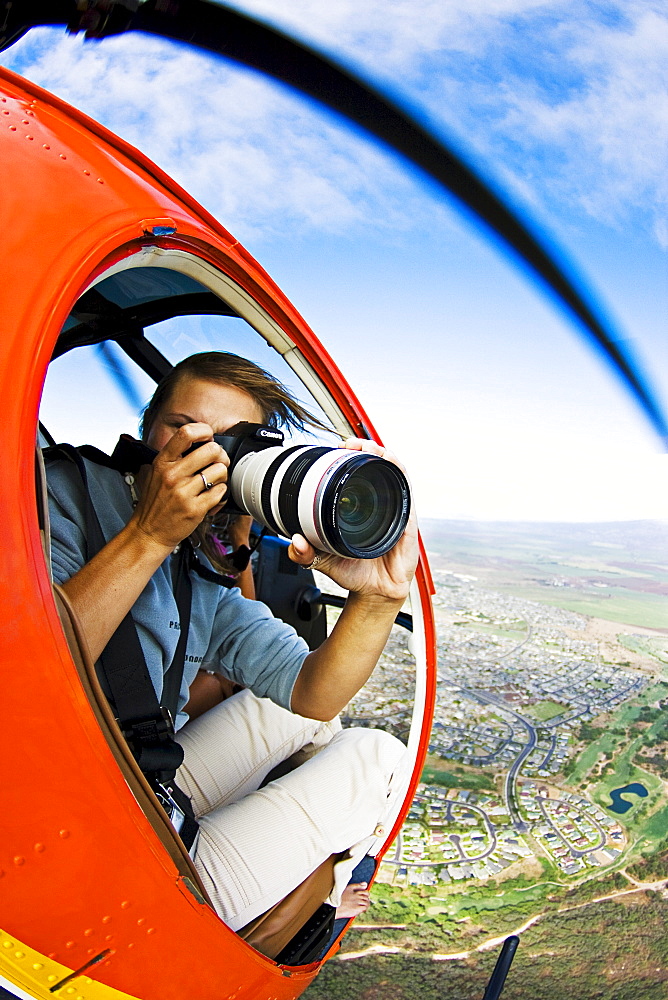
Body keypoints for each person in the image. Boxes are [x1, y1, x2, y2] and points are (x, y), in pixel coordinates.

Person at [46, 351, 418, 934]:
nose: (206, 456)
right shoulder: (59, 493)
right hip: (79, 834)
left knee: (314, 722)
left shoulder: (199, 556)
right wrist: (148, 532)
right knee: (380, 757)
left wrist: (377, 600)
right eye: (184, 429)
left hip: (142, 779)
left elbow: (312, 692)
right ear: (147, 428)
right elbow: (30, 676)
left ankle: (285, 868)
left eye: (233, 442)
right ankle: (302, 898)